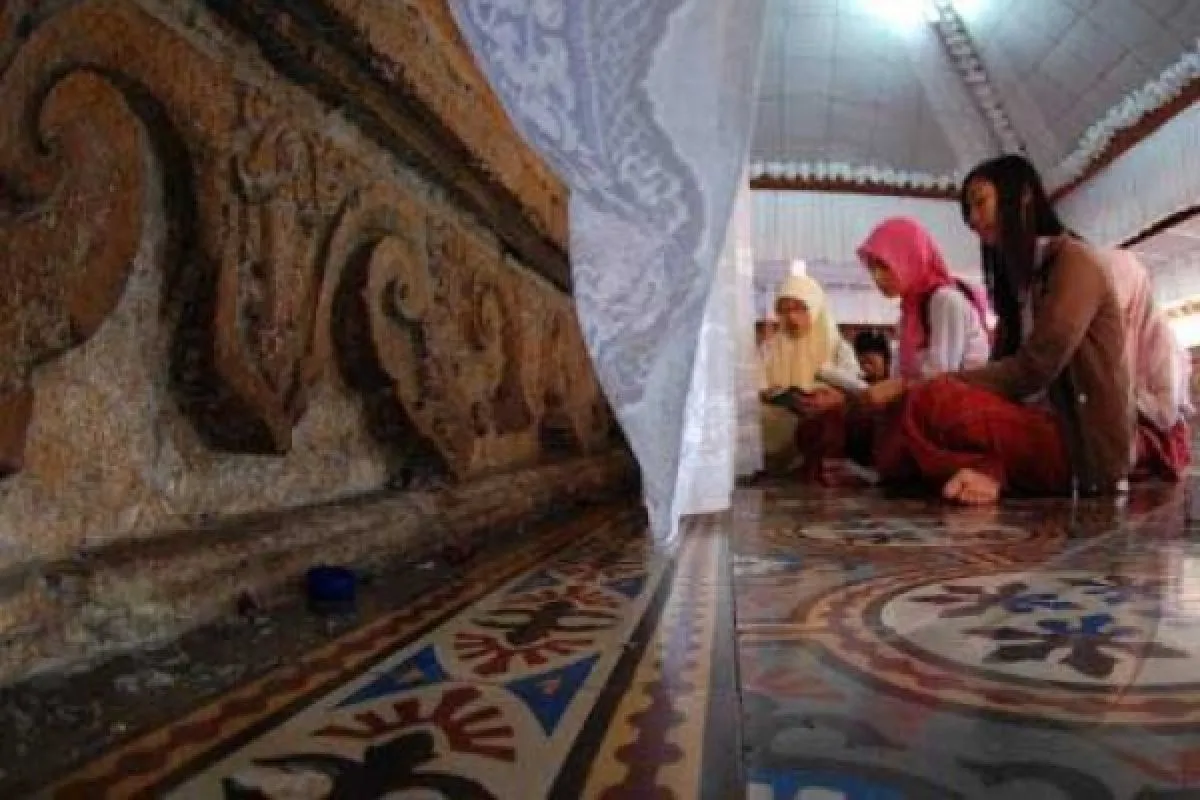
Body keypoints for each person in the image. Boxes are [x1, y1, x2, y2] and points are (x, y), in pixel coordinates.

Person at [875, 154, 1133, 505]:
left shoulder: (1075, 262)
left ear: (1022, 196)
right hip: (1033, 422)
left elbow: (1034, 369)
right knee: (897, 411)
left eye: (980, 202)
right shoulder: (1021, 282)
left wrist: (936, 384)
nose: (972, 219)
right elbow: (1005, 371)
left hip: (1077, 445)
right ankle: (981, 471)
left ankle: (983, 470)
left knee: (931, 402)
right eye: (968, 210)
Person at [855, 217, 991, 409]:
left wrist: (897, 387)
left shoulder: (945, 301)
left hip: (962, 412)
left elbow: (939, 382)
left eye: (884, 266)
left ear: (910, 258)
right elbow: (901, 375)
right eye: (872, 268)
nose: (877, 278)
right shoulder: (910, 314)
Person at [758, 274, 864, 479]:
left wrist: (832, 398)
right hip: (781, 426)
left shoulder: (838, 348)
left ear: (815, 308)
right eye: (784, 310)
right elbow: (757, 387)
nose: (791, 317)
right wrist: (771, 395)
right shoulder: (769, 349)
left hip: (823, 425)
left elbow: (856, 391)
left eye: (800, 309)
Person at [1104, 248, 1192, 481]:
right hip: (1120, 426)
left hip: (1161, 436)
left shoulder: (1162, 341)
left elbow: (1165, 413)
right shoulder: (1110, 335)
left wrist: (1119, 398)